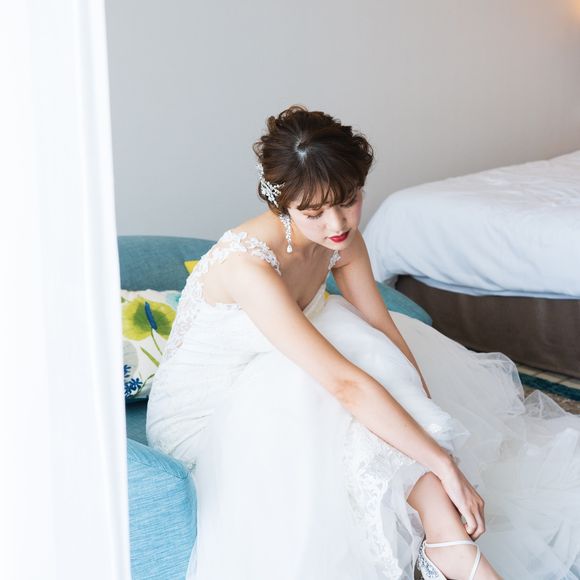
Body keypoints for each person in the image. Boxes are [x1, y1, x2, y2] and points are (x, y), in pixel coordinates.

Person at [146, 105, 580, 580]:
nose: (336, 224)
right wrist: (439, 461)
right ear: (281, 204)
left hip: (301, 371)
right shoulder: (246, 267)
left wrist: (425, 418)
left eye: (348, 200)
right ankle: (449, 546)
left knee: (365, 340)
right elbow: (342, 384)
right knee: (324, 375)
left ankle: (445, 540)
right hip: (210, 419)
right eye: (313, 213)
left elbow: (384, 329)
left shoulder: (340, 239)